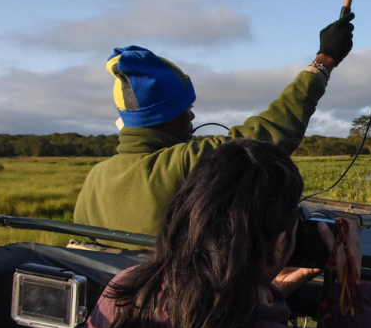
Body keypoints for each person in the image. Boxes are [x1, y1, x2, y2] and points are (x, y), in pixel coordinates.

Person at [76, 139, 371, 328]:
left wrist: (267, 292)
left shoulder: (127, 290)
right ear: (278, 246)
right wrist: (348, 283)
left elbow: (197, 303)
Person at [74, 15, 355, 237]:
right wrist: (323, 62)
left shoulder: (95, 179)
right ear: (169, 117)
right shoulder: (185, 163)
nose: (193, 118)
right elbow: (269, 133)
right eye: (188, 109)